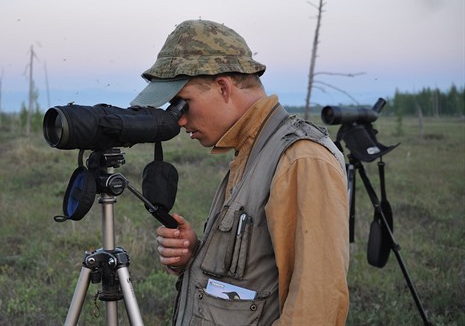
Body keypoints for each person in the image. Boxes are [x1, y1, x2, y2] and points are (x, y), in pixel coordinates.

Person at [130, 19, 349, 325]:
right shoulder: (251, 151)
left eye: (184, 104)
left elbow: (317, 305)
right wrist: (198, 255)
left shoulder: (302, 159)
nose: (178, 120)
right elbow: (254, 277)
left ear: (223, 87)